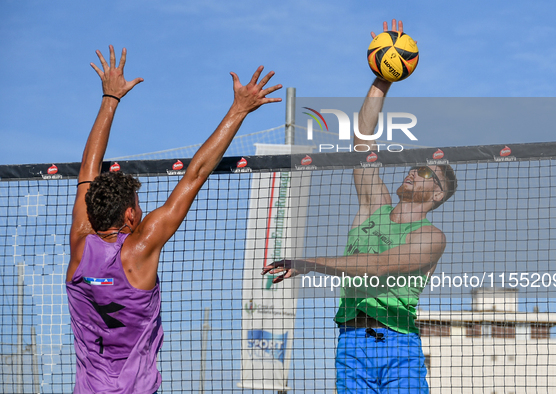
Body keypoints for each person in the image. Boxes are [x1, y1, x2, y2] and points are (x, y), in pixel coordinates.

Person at [66, 45, 282, 393]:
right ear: (130, 214)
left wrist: (109, 97)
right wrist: (239, 109)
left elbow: (88, 171)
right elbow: (194, 175)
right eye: (138, 203)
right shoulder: (139, 249)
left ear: (91, 213)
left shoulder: (79, 246)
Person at [262, 19, 457, 394]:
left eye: (424, 173)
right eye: (415, 167)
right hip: (352, 341)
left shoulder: (432, 237)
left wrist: (307, 263)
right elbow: (362, 142)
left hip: (399, 343)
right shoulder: (374, 205)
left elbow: (379, 266)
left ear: (436, 196)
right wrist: (383, 78)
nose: (413, 173)